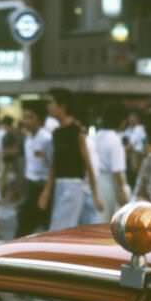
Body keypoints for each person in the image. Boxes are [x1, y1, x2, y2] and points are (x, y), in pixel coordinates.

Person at [41, 88, 103, 229]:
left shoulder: (77, 131)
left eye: (51, 102)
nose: (48, 106)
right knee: (71, 229)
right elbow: (54, 164)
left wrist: (95, 195)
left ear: (62, 106)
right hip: (60, 184)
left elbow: (88, 165)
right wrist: (47, 191)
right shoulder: (56, 133)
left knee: (59, 230)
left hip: (74, 185)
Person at [15, 102, 53, 237]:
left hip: (42, 187)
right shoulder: (28, 138)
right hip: (31, 186)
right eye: (24, 117)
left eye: (30, 117)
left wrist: (46, 192)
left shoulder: (46, 139)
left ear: (39, 120)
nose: (25, 121)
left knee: (27, 225)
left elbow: (53, 166)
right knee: (28, 224)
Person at [92, 102, 131, 219]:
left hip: (95, 180)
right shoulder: (115, 140)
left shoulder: (95, 136)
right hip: (109, 183)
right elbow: (117, 171)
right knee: (108, 220)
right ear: (122, 120)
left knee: (97, 218)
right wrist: (122, 192)